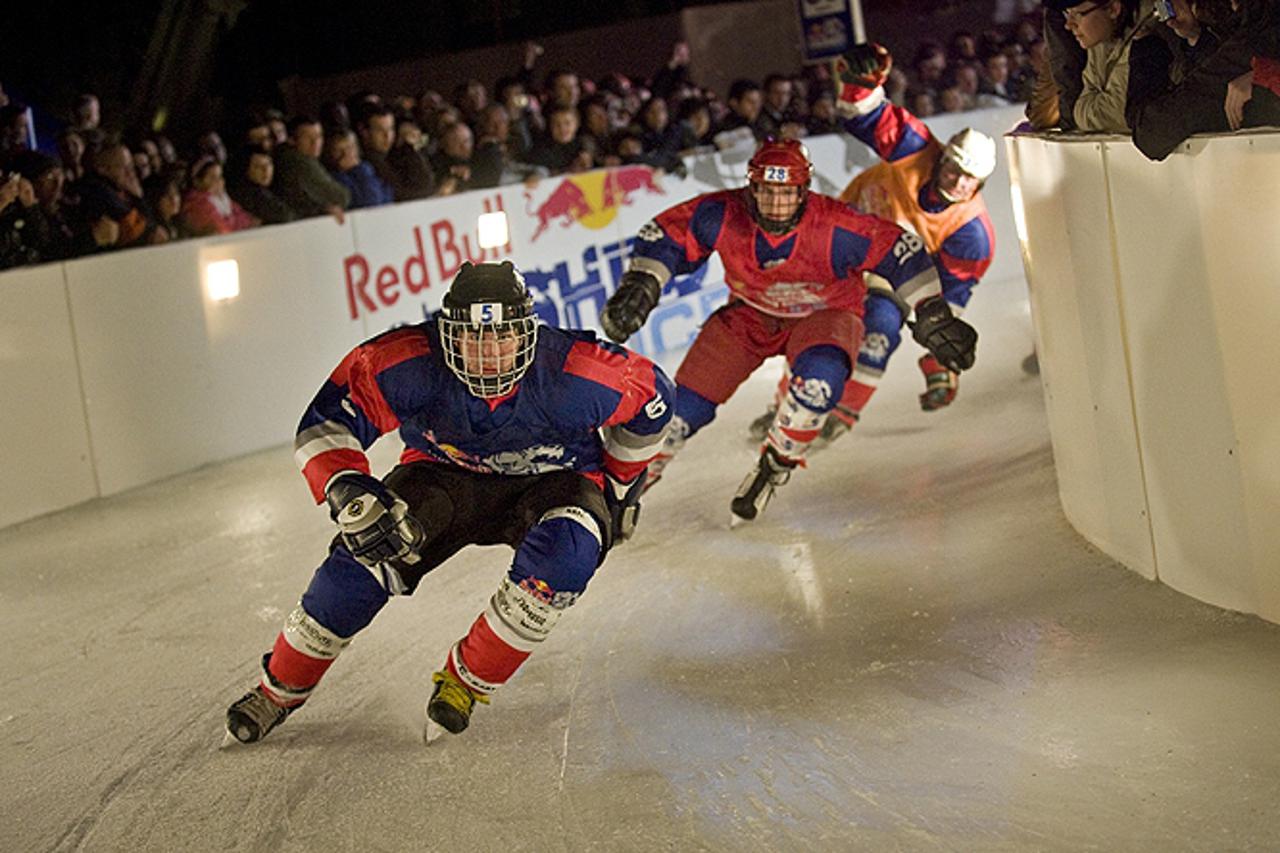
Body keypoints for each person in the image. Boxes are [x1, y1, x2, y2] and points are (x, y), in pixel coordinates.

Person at [224, 261, 675, 744]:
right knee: (359, 561)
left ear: (529, 332)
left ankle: (466, 682)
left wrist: (622, 488)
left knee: (565, 556)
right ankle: (277, 689)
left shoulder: (578, 369)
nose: (487, 355)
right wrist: (348, 489)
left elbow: (654, 403)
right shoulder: (409, 359)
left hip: (556, 483)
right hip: (442, 480)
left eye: (502, 336)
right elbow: (328, 421)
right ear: (446, 335)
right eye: (472, 338)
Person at [599, 139, 974, 524]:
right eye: (767, 193)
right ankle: (619, 491)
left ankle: (774, 467)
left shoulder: (836, 226)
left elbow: (902, 250)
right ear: (751, 189)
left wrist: (933, 314)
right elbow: (667, 235)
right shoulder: (724, 212)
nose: (776, 206)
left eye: (787, 194)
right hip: (751, 315)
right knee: (679, 411)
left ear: (804, 192)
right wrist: (642, 283)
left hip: (825, 315)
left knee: (817, 386)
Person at [748, 43, 997, 447]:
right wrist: (861, 85)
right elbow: (867, 116)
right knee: (813, 331)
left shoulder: (973, 235)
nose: (956, 182)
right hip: (836, 242)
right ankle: (786, 404)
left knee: (878, 329)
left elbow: (947, 302)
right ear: (942, 158)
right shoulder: (916, 149)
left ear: (980, 185)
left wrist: (938, 361)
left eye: (969, 179)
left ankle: (841, 414)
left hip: (890, 269)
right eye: (953, 168)